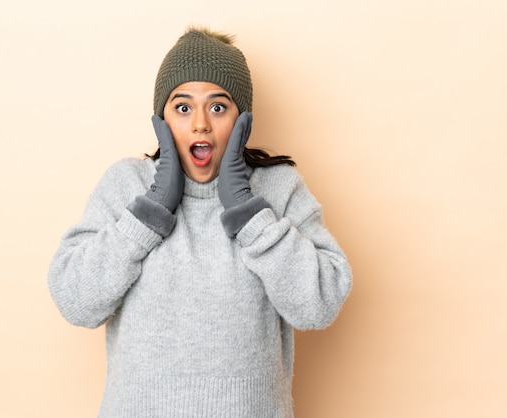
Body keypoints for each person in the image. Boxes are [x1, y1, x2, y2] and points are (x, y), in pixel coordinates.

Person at [48, 26, 352, 418]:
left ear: (243, 120)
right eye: (183, 107)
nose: (201, 125)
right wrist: (149, 212)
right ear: (162, 119)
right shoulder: (127, 184)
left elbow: (320, 304)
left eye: (219, 107)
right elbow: (76, 301)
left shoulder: (277, 189)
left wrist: (250, 215)